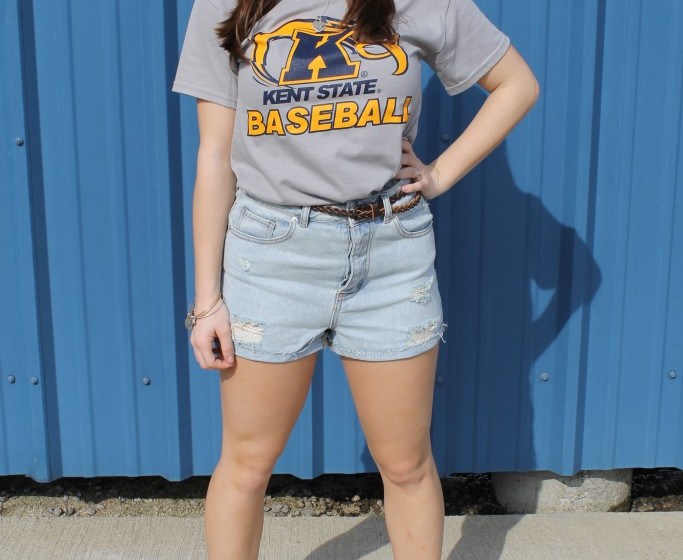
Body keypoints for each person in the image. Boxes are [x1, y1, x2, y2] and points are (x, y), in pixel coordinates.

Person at [172, 0, 538, 557]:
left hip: (392, 253)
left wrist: (439, 174)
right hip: (272, 257)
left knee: (407, 465)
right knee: (247, 464)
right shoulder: (230, 5)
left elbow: (517, 84)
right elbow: (215, 156)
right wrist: (207, 301)